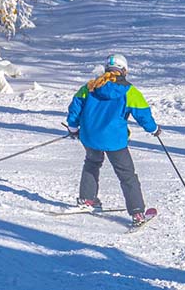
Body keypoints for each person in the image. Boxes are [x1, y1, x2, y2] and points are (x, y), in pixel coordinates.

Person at [66, 54, 160, 227]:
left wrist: (73, 129)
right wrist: (154, 129)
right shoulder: (129, 91)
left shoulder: (90, 86)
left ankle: (87, 200)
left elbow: (75, 109)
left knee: (92, 164)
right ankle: (138, 213)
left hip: (90, 137)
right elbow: (143, 114)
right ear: (124, 70)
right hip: (114, 140)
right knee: (127, 175)